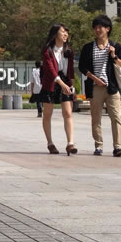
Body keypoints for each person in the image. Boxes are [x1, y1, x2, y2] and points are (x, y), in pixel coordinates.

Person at [78, 14, 121, 157]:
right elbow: (82, 67)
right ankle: (98, 145)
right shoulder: (88, 47)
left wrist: (114, 55)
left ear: (108, 29)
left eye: (101, 27)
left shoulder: (115, 46)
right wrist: (94, 78)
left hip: (112, 88)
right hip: (95, 87)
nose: (98, 30)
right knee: (96, 118)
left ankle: (118, 146)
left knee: (116, 117)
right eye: (96, 27)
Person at [38, 24, 77, 155]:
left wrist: (72, 85)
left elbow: (71, 70)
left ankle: (70, 143)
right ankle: (50, 143)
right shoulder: (47, 50)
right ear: (55, 34)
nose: (65, 34)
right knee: (47, 114)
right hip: (51, 83)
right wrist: (61, 83)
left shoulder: (69, 51)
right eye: (62, 32)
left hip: (65, 83)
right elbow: (50, 70)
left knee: (68, 112)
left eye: (67, 32)